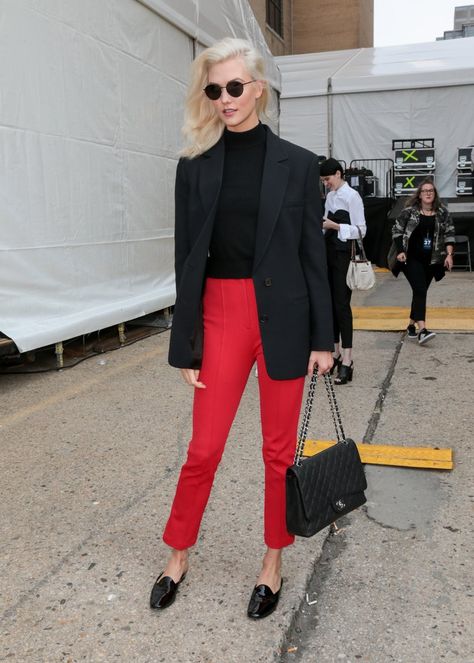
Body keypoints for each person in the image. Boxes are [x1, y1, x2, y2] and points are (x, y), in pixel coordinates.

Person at [149, 38, 334, 619]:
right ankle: (177, 555)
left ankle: (272, 564)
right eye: (214, 89)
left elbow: (313, 255)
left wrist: (323, 339)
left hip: (285, 316)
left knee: (279, 453)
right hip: (221, 314)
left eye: (234, 86)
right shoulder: (193, 168)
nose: (224, 99)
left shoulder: (300, 164)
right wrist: (186, 343)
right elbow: (186, 258)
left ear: (258, 88)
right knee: (203, 448)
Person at [390, 178, 455, 344]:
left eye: (431, 191)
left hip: (432, 260)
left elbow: (449, 234)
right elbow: (396, 230)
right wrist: (400, 251)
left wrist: (448, 255)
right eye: (425, 191)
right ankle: (423, 330)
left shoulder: (442, 213)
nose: (428, 193)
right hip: (410, 258)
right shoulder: (409, 212)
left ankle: (411, 325)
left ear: (435, 194)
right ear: (419, 195)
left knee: (420, 292)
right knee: (420, 289)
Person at [319, 158, 367, 385]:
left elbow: (361, 230)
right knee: (329, 305)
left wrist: (335, 226)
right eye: (323, 181)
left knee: (341, 305)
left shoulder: (352, 196)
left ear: (338, 174)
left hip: (344, 256)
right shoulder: (330, 197)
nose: (326, 184)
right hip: (328, 254)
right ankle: (336, 352)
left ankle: (348, 359)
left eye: (327, 179)